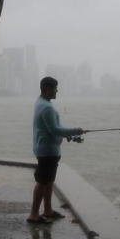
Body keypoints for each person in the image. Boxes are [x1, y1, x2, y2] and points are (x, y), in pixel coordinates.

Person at [27, 76, 83, 224]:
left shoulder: (40, 102)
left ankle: (47, 210)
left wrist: (66, 136)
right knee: (42, 182)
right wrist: (74, 131)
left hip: (46, 149)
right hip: (47, 152)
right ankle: (33, 215)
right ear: (47, 89)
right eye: (55, 88)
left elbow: (49, 130)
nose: (57, 90)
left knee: (49, 181)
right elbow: (55, 129)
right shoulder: (47, 107)